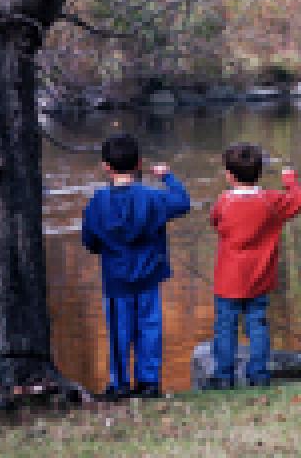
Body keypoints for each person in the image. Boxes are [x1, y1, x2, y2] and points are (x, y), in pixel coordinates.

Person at [81, 133, 190, 401]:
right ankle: (149, 382)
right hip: (149, 277)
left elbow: (89, 241)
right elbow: (182, 202)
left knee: (119, 333)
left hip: (116, 280)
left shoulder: (97, 202)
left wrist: (106, 247)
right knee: (150, 329)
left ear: (106, 167)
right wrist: (167, 177)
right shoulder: (153, 197)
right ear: (139, 163)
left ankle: (120, 384)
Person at [207, 143, 301, 389]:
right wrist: (290, 181)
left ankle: (224, 376)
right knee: (257, 325)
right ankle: (259, 374)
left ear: (229, 175)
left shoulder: (224, 201)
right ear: (259, 172)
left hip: (228, 280)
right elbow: (299, 201)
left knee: (225, 327)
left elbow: (215, 221)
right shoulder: (272, 201)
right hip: (259, 278)